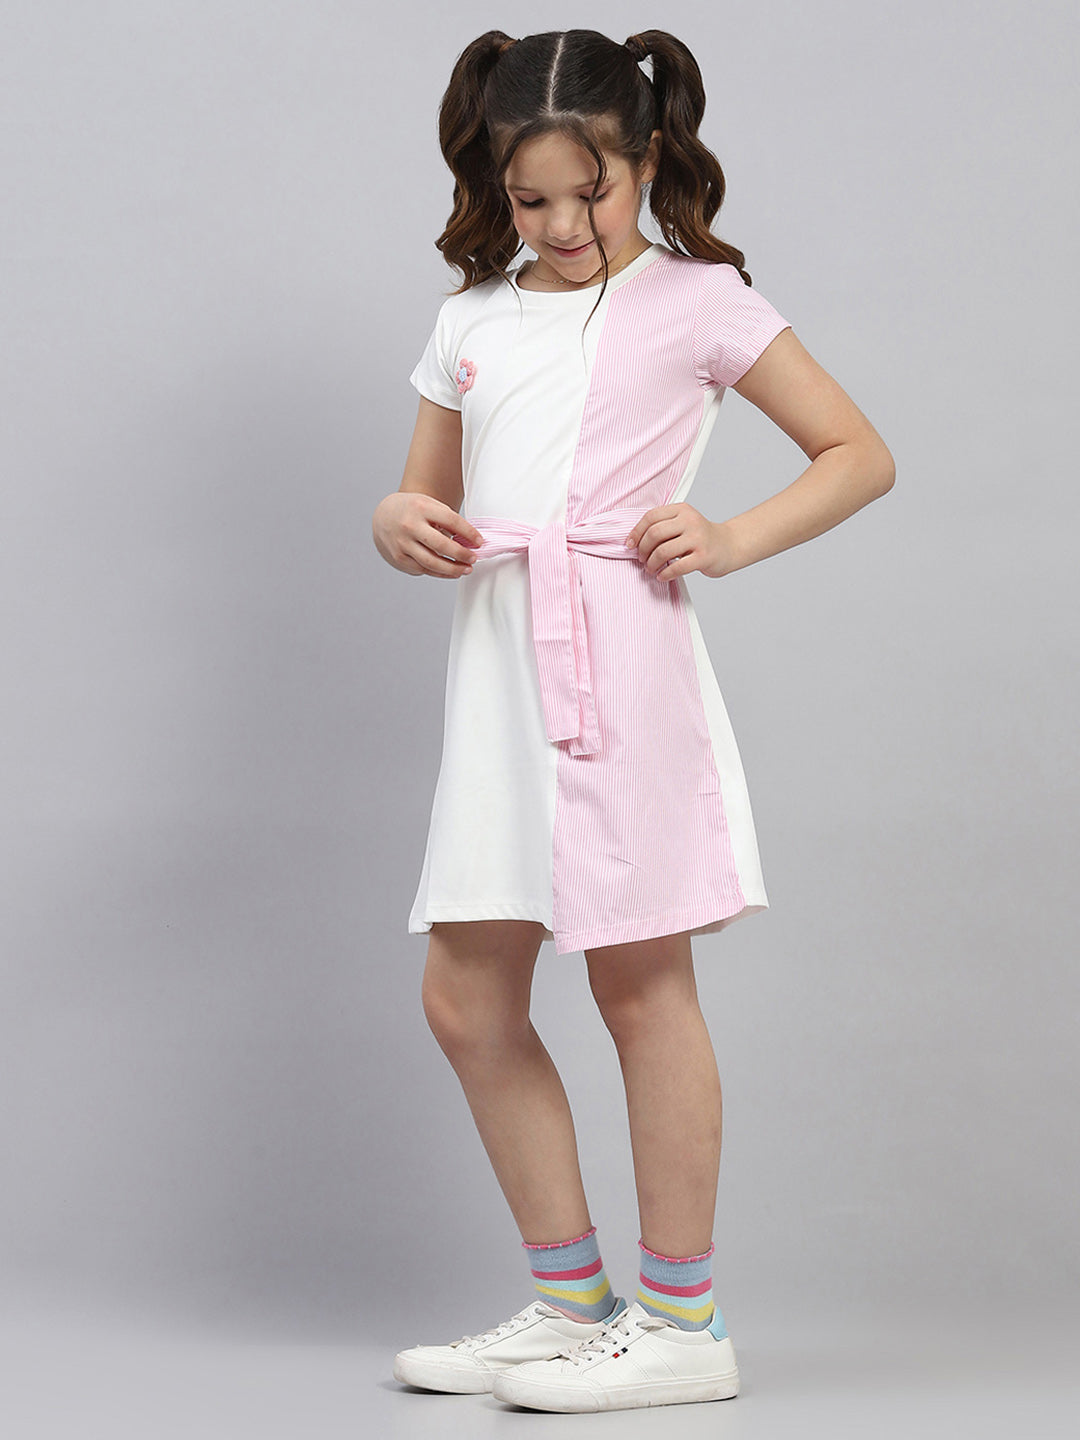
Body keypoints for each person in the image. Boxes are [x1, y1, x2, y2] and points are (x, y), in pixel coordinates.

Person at [373, 26, 895, 1415]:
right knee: (465, 996)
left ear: (647, 160)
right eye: (529, 198)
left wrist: (727, 537)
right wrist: (395, 521)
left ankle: (682, 1325)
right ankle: (572, 1307)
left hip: (618, 660)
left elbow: (858, 453)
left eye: (589, 192)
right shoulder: (470, 320)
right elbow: (427, 495)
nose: (560, 225)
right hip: (499, 675)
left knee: (637, 984)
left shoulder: (700, 303)